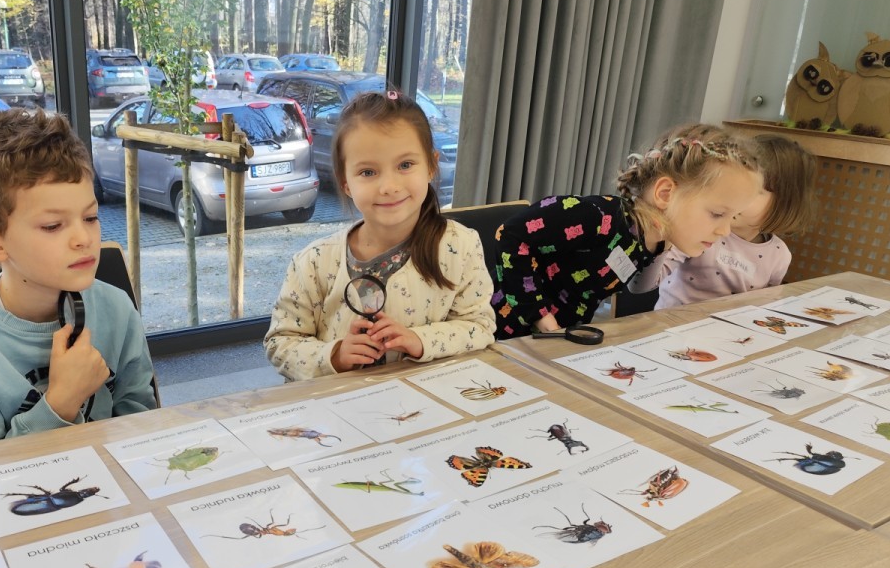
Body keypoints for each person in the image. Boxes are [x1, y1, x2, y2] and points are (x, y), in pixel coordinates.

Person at [0, 108, 157, 457]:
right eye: (52, 226)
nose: (84, 238)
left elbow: (141, 425)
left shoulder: (116, 309)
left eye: (90, 217)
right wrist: (61, 402)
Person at [265, 89, 496, 380]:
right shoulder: (312, 263)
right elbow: (280, 343)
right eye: (368, 172)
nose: (389, 187)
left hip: (422, 398)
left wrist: (419, 340)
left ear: (431, 166)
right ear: (345, 182)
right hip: (341, 402)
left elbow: (479, 326)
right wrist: (335, 355)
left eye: (405, 165)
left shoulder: (461, 247)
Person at [491, 123, 765, 337]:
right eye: (717, 214)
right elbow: (512, 234)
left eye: (733, 217)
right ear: (666, 193)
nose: (725, 231)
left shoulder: (652, 240)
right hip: (502, 333)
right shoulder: (599, 218)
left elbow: (635, 286)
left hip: (552, 343)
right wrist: (542, 317)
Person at [628, 134, 817, 308]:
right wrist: (660, 240)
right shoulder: (701, 232)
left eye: (756, 192)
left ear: (785, 204)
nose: (733, 198)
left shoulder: (779, 255)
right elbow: (641, 286)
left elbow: (762, 308)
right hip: (672, 328)